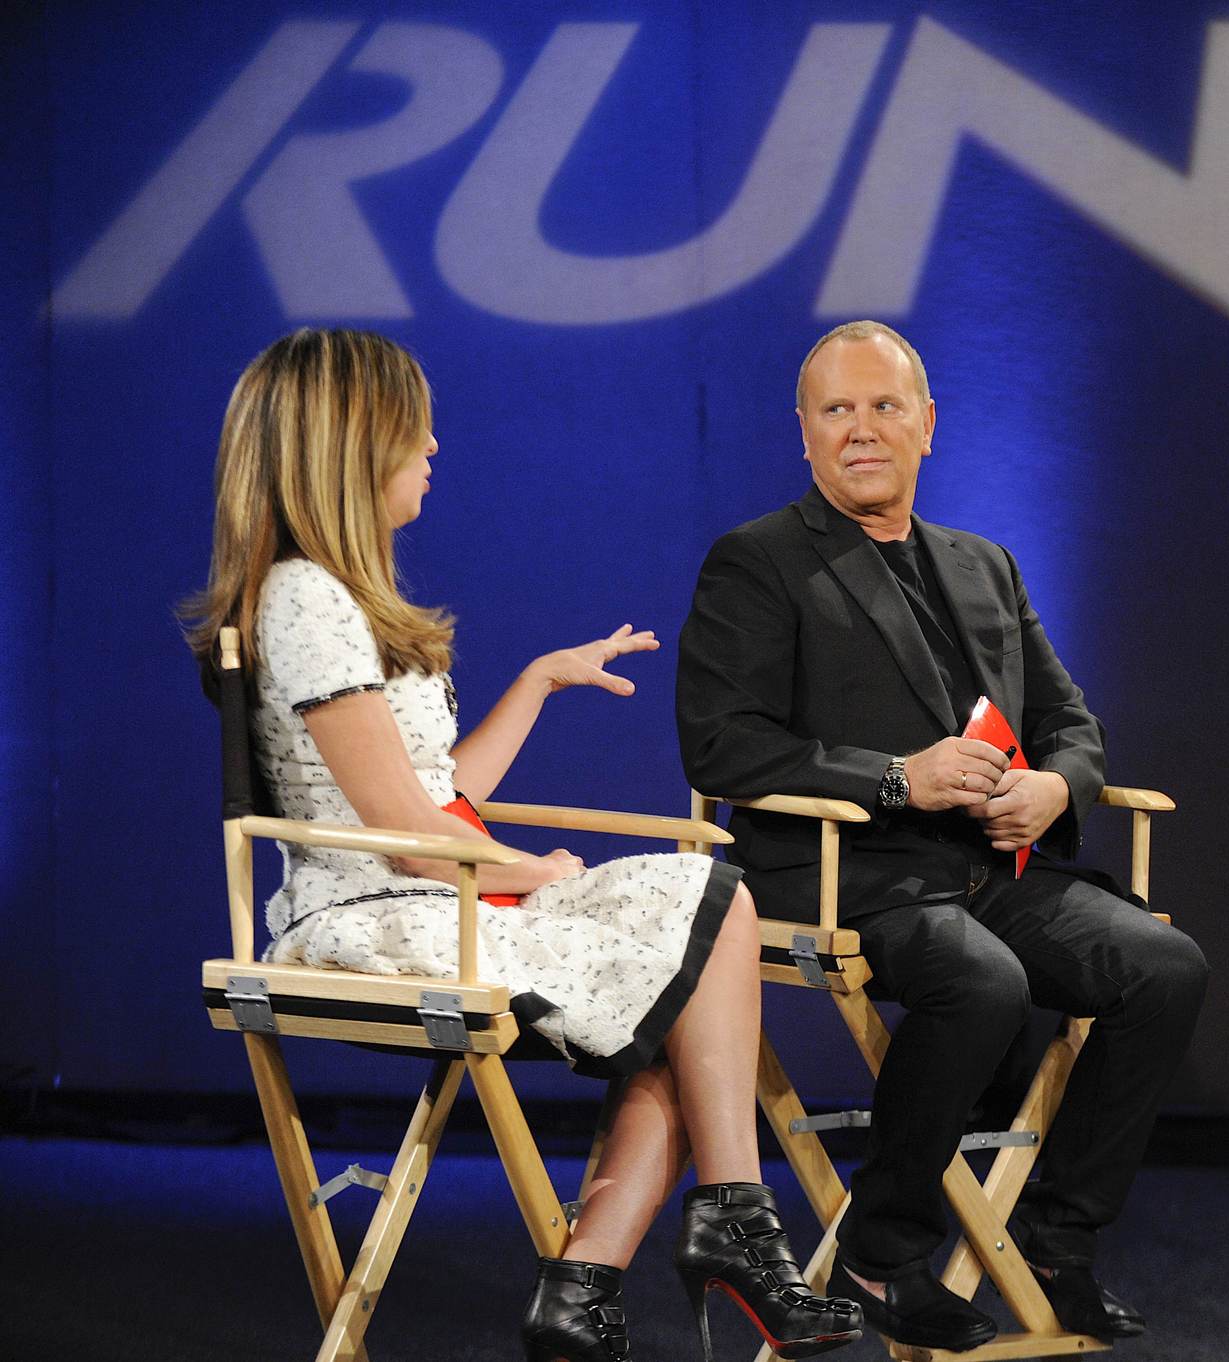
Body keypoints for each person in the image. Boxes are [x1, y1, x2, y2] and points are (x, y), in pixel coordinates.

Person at [184, 329, 860, 1362]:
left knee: (698, 934)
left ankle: (612, 1275)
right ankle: (692, 1237)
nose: (434, 447)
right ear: (350, 441)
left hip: (425, 888)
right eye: (414, 427)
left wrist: (537, 682)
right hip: (376, 917)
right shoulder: (305, 596)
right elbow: (411, 837)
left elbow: (434, 794)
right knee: (698, 932)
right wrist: (522, 871)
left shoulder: (330, 594)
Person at [676, 320, 1210, 1350]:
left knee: (1163, 966)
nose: (863, 431)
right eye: (837, 411)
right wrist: (893, 780)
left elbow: (1069, 723)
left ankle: (1057, 1240)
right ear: (803, 434)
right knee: (984, 982)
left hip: (986, 865)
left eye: (885, 407)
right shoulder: (758, 562)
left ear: (929, 425)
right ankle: (884, 1255)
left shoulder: (984, 565)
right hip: (841, 871)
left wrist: (1056, 787)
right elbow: (721, 746)